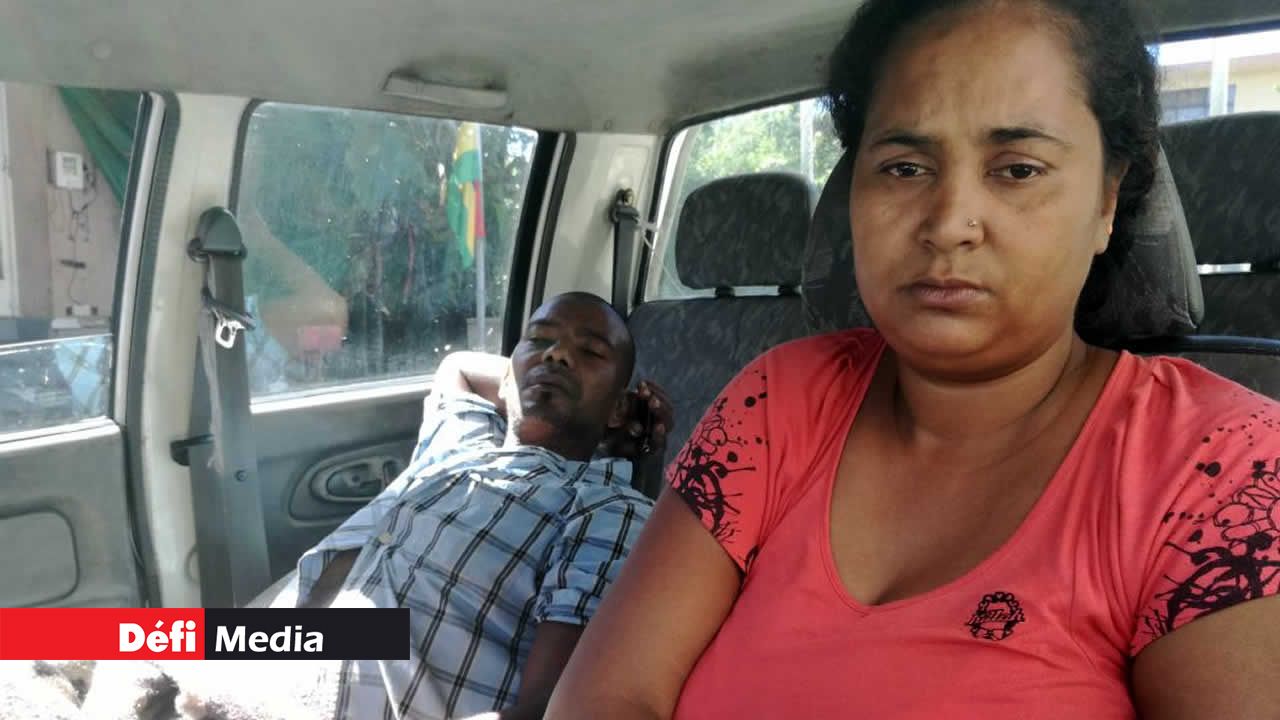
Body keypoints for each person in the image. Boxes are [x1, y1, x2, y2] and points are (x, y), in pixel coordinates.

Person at [546, 2, 1280, 719]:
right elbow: (607, 697)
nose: (949, 223)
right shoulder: (777, 400)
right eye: (904, 167)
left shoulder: (1223, 471)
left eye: (1018, 169)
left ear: (1106, 203)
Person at [275, 291, 671, 720]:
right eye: (540, 340)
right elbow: (457, 366)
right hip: (278, 655)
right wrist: (525, 376)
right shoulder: (463, 438)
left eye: (590, 351)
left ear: (618, 409)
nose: (556, 354)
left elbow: (555, 709)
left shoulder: (606, 508)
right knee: (211, 638)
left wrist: (547, 378)